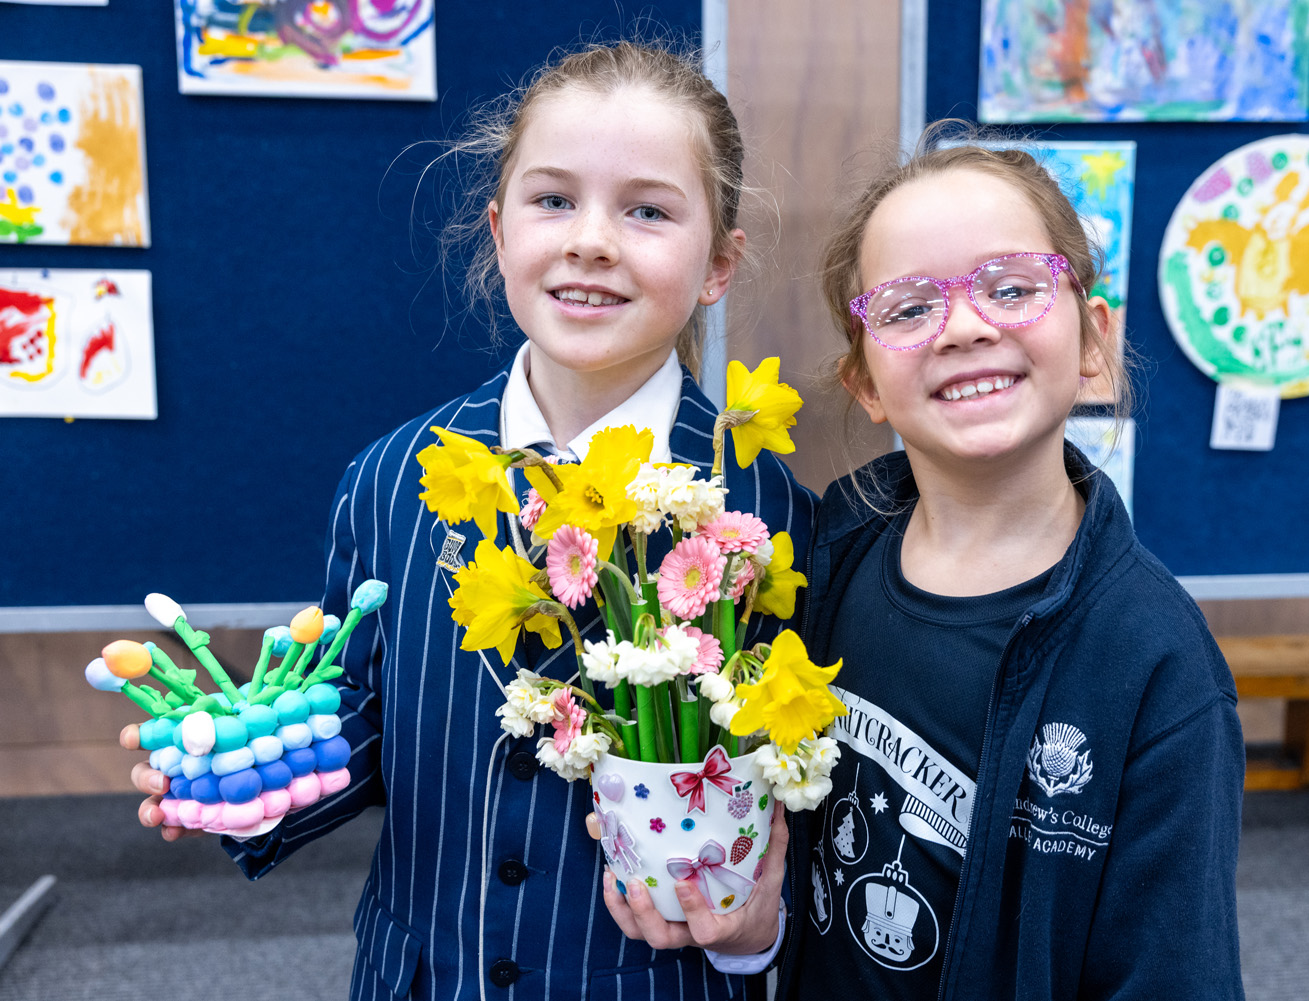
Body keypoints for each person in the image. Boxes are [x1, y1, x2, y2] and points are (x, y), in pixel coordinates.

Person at [121, 41, 816, 1001]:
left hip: (652, 982)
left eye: (648, 210)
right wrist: (248, 771)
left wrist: (754, 930)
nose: (592, 241)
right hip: (422, 975)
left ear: (718, 263)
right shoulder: (392, 478)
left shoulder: (771, 516)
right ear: (498, 233)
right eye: (553, 200)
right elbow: (363, 709)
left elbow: (795, 796)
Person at [772, 134, 1246, 1000]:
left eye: (1012, 287)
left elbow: (1174, 973)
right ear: (866, 381)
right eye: (909, 308)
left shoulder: (1158, 662)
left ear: (1093, 339)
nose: (964, 325)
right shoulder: (830, 549)